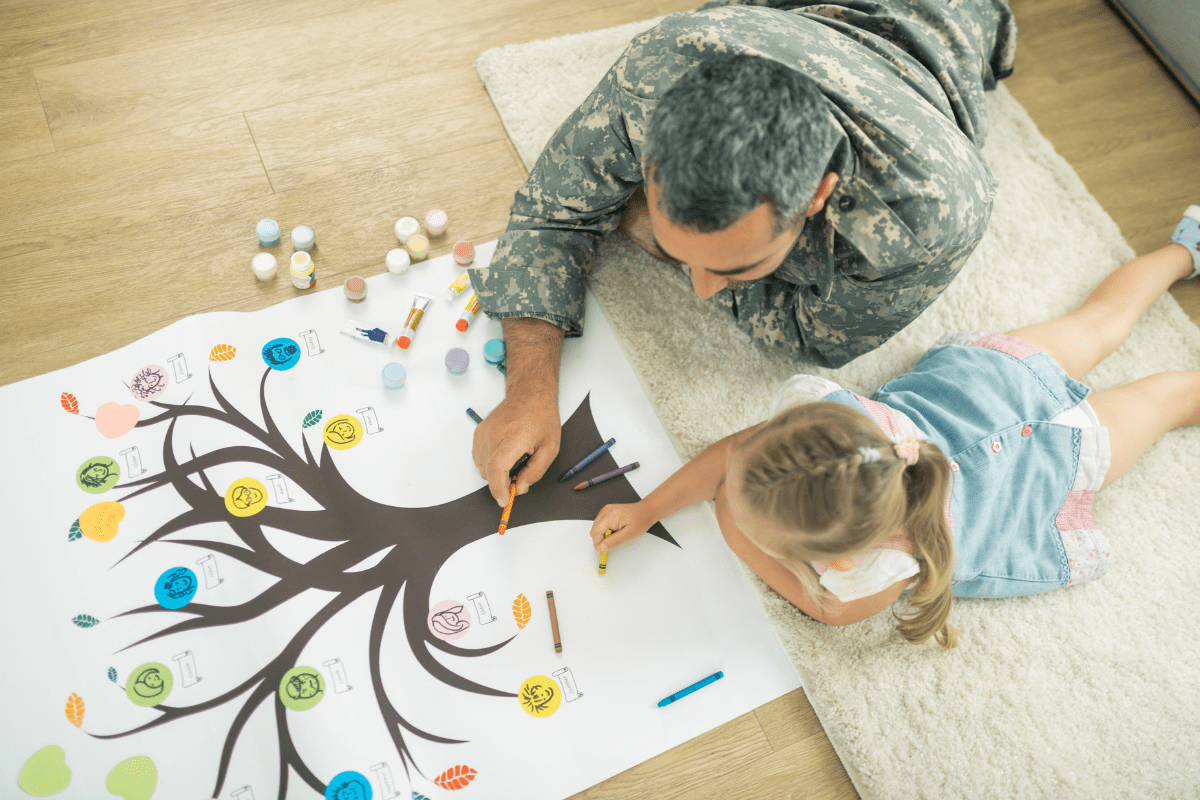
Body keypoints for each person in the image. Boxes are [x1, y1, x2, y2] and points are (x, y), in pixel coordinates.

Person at [471, 0, 1018, 505]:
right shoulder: (661, 67)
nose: (701, 288)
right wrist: (529, 390)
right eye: (678, 250)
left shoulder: (925, 223)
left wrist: (636, 224)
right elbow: (553, 209)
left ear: (818, 196)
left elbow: (810, 338)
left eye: (734, 266)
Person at [587, 211, 1200, 648]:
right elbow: (737, 454)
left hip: (1047, 471)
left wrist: (734, 533)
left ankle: (1185, 253)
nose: (727, 491)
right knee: (1106, 325)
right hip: (990, 382)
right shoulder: (825, 422)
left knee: (1170, 396)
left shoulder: (886, 567)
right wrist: (649, 509)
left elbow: (828, 611)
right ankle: (1186, 250)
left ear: (837, 555)